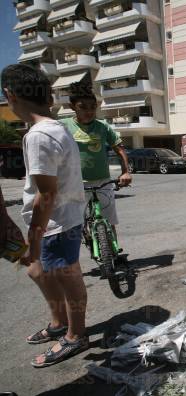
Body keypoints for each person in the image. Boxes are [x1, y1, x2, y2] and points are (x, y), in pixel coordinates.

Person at [1, 64, 89, 367]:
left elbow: (47, 194)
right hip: (59, 219)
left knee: (68, 277)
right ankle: (59, 323)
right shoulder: (55, 127)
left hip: (56, 222)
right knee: (37, 271)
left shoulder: (38, 136)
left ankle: (76, 335)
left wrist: (35, 237)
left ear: (9, 95)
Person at [60, 83, 131, 240]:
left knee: (109, 219)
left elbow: (119, 149)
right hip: (75, 183)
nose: (89, 111)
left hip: (102, 181)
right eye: (83, 107)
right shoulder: (63, 126)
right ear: (72, 107)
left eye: (93, 107)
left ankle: (113, 252)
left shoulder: (103, 127)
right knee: (74, 223)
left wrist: (126, 172)